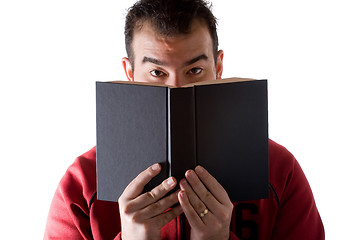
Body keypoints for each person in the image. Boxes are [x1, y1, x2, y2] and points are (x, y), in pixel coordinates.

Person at [44, 0, 325, 239]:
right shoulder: (83, 182)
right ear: (129, 73)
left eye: (195, 70)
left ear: (218, 67)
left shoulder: (278, 171)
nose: (176, 89)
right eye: (157, 73)